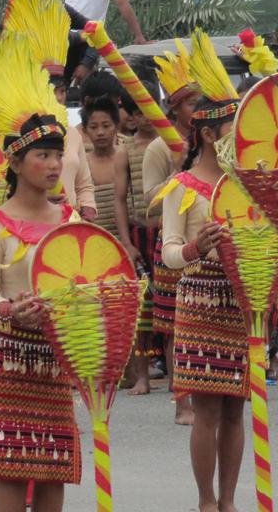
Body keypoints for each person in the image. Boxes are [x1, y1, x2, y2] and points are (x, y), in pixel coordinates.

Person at [0, 37, 79, 512]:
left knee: (52, 472)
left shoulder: (70, 222)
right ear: (14, 162)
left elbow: (82, 285)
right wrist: (11, 311)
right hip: (6, 358)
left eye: (58, 156)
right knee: (12, 474)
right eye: (43, 156)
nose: (54, 165)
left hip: (54, 358)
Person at [159, 31, 246, 512]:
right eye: (232, 124)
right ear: (209, 133)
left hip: (240, 299)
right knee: (208, 408)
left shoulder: (250, 184)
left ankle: (230, 500)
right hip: (200, 297)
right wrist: (197, 246)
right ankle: (206, 500)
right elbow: (169, 252)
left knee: (236, 408)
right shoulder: (182, 186)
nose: (241, 132)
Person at [3, 0, 95, 217]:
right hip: (23, 225)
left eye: (62, 91)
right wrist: (38, 196)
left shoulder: (72, 135)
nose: (59, 97)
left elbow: (84, 184)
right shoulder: (13, 135)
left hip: (69, 229)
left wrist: (87, 209)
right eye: (51, 91)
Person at [145, 40, 199, 425]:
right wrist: (177, 174)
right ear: (174, 108)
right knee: (177, 323)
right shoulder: (159, 148)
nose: (196, 110)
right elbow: (149, 200)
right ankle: (182, 399)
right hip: (175, 238)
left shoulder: (210, 143)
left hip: (207, 238)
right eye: (190, 103)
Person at [114, 91, 159, 396]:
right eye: (137, 112)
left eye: (148, 109)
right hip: (140, 233)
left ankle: (176, 376)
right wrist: (127, 242)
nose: (144, 117)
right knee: (143, 307)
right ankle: (142, 375)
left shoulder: (174, 143)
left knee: (171, 307)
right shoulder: (125, 149)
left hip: (168, 235)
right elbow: (119, 199)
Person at [82, 97, 123, 239]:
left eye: (106, 126)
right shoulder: (82, 164)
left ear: (117, 126)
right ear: (84, 130)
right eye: (93, 127)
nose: (100, 132)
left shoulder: (128, 157)